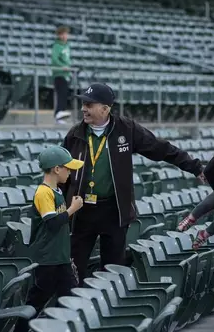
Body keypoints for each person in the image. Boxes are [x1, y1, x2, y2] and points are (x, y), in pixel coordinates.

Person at [62, 83, 204, 283]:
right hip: (81, 210)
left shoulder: (126, 129)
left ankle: (108, 307)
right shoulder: (75, 134)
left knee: (112, 270)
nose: (84, 108)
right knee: (74, 267)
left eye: (90, 104)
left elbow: (160, 148)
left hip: (114, 210)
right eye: (83, 104)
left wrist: (195, 167)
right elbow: (61, 173)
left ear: (106, 108)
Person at [13, 146, 85, 332]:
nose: (70, 172)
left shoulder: (57, 191)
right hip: (47, 258)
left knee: (70, 296)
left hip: (59, 256)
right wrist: (73, 209)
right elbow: (52, 223)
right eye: (67, 168)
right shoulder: (43, 192)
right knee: (37, 299)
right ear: (56, 169)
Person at [52, 26, 72, 123]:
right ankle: (58, 113)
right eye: (63, 34)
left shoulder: (67, 46)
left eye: (66, 34)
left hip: (66, 74)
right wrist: (62, 67)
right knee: (61, 94)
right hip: (59, 74)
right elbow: (54, 60)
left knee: (64, 95)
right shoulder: (56, 46)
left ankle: (60, 115)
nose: (65, 36)